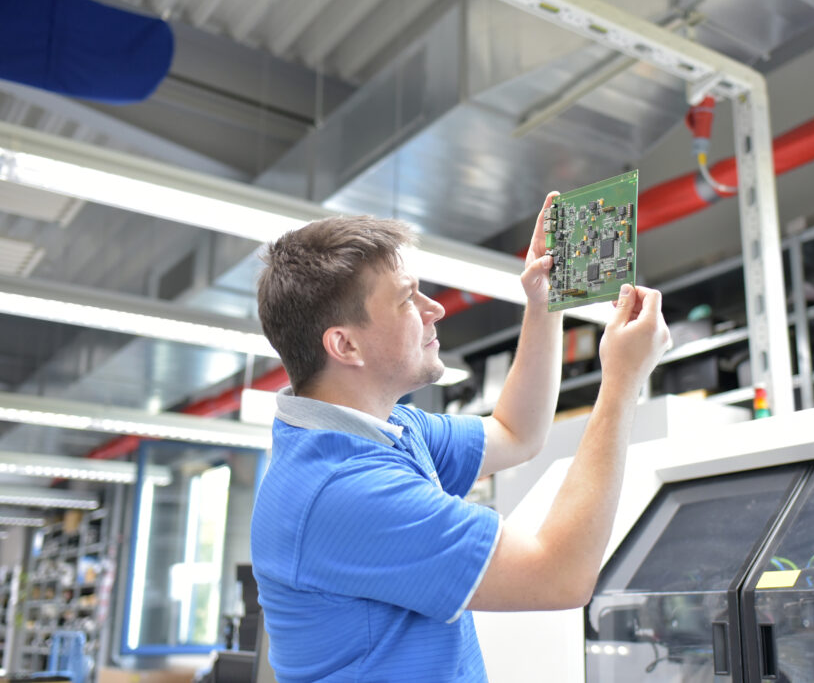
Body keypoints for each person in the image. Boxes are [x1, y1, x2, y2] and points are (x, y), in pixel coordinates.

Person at [251, 192, 671, 682]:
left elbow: (515, 433)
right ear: (345, 344)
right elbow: (560, 575)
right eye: (408, 298)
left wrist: (546, 303)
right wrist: (621, 383)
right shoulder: (344, 490)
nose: (435, 309)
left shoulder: (389, 430)